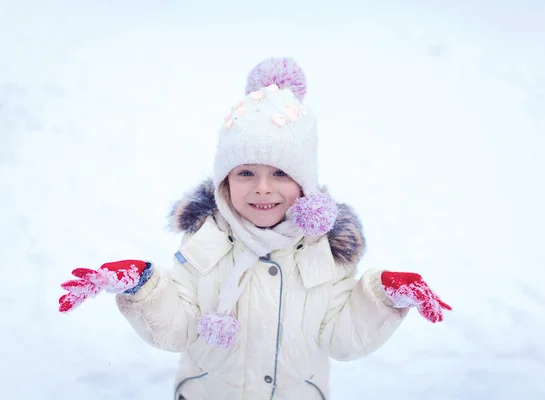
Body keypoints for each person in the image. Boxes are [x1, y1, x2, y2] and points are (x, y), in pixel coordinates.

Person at [58, 57, 452, 400]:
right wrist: (142, 286)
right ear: (224, 182)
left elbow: (342, 337)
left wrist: (381, 296)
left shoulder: (322, 250)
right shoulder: (206, 240)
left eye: (280, 173)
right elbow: (178, 328)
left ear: (305, 184)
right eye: (246, 172)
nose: (262, 187)